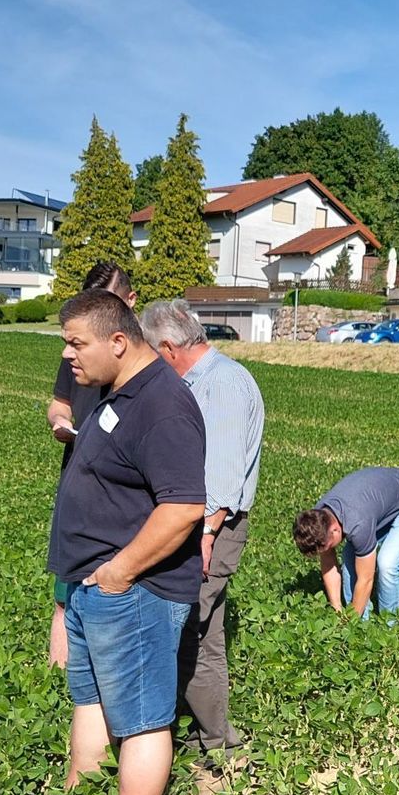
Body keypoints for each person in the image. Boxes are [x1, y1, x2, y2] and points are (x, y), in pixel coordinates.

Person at [48, 288, 207, 795]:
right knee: (90, 703)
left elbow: (184, 508)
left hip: (134, 591)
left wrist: (119, 573)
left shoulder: (163, 405)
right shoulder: (120, 393)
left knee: (140, 720)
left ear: (118, 341)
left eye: (76, 342)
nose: (68, 356)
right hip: (93, 587)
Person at [140, 300, 266, 758]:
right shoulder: (201, 382)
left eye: (152, 354)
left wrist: (206, 536)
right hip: (198, 526)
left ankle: (199, 739)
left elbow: (223, 478)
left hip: (212, 529)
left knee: (184, 626)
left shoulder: (224, 385)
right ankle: (215, 738)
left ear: (169, 348)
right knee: (203, 634)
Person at [47, 262, 137, 667]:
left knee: (111, 600)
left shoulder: (143, 365)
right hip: (78, 483)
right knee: (65, 597)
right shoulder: (76, 355)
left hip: (119, 496)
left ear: (130, 304)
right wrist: (60, 423)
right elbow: (58, 404)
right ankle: (56, 686)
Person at [292, 467, 399, 618]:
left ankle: (388, 627)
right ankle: (362, 623)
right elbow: (328, 563)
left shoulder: (358, 523)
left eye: (327, 546)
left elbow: (366, 579)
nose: (326, 551)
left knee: (387, 563)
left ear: (335, 529)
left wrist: (351, 622)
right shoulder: (318, 519)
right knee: (351, 557)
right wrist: (337, 610)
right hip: (384, 501)